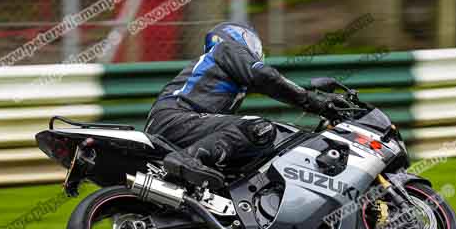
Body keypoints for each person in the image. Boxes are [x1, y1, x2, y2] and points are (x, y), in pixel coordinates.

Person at [145, 22, 344, 180]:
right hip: (176, 117)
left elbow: (273, 85)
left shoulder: (227, 69)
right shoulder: (226, 49)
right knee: (258, 128)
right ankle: (185, 159)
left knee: (251, 145)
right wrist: (316, 103)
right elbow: (268, 78)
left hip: (180, 121)